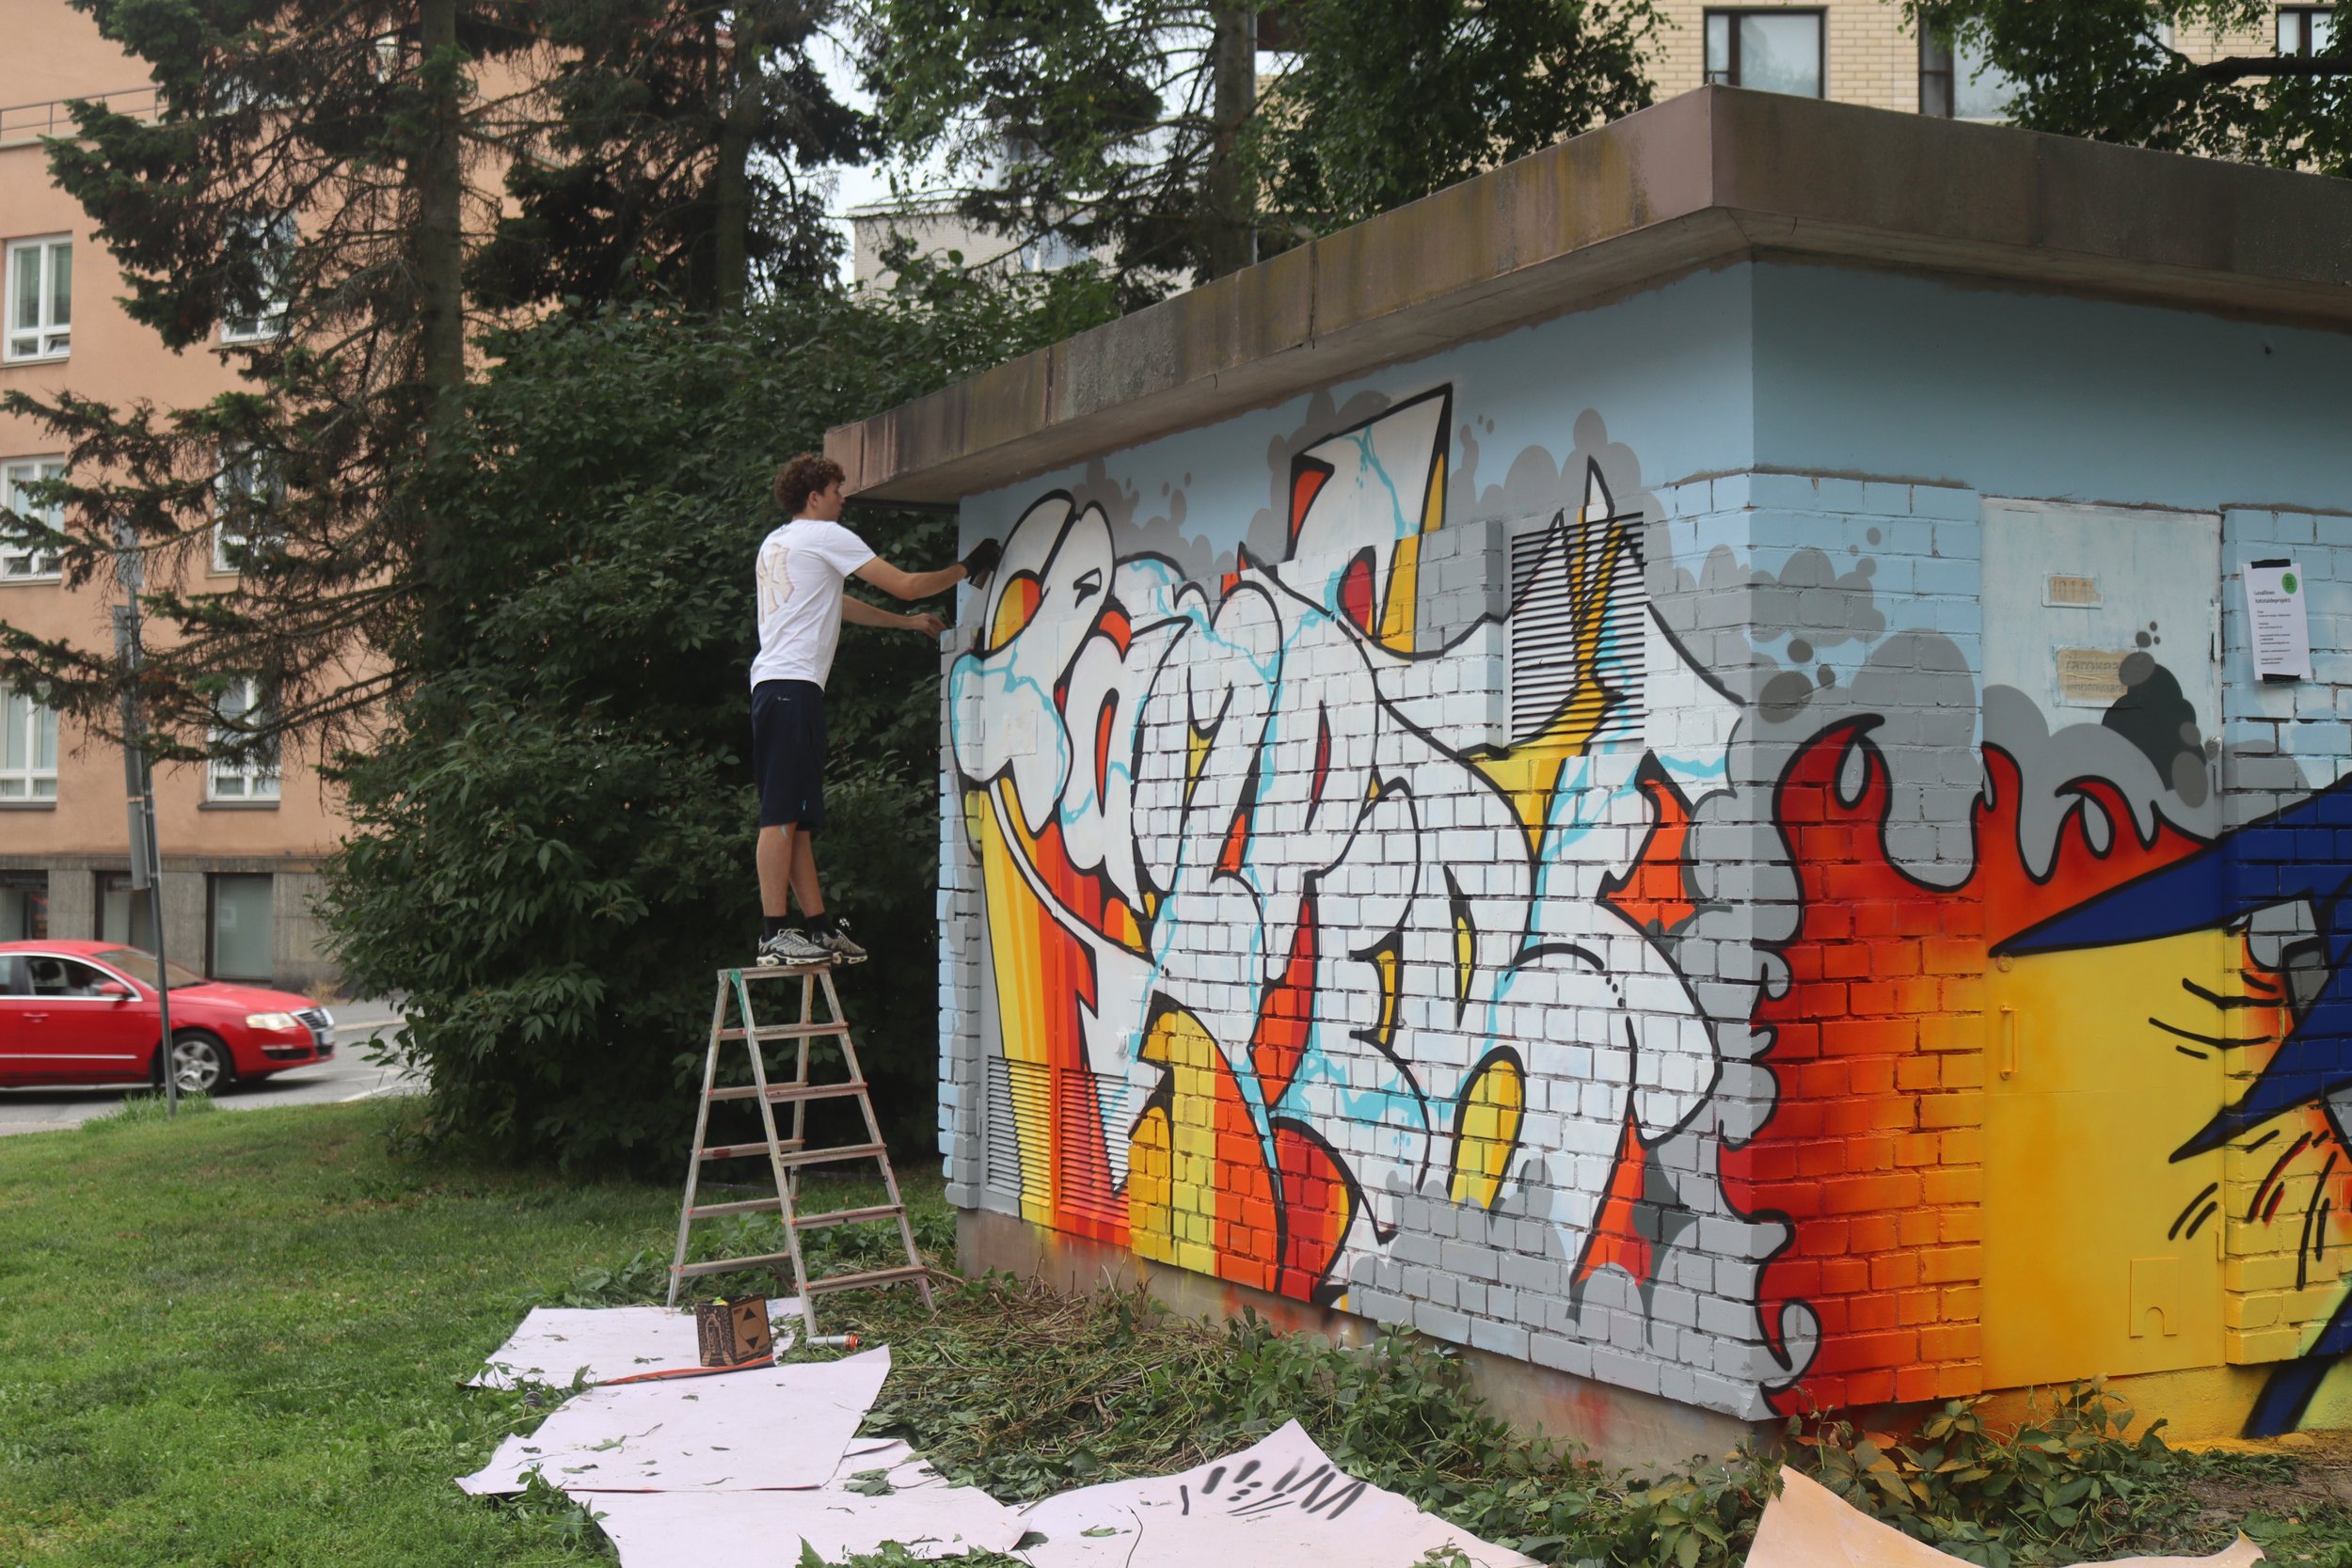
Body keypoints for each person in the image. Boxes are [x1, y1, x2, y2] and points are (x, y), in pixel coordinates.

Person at [752, 453, 1000, 967]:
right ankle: (774, 935)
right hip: (793, 690)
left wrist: (906, 625)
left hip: (778, 689)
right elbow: (907, 583)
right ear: (814, 496)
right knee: (779, 814)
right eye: (837, 488)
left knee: (795, 817)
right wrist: (969, 567)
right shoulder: (824, 536)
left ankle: (817, 929)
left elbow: (835, 604)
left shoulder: (777, 542)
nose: (844, 497)